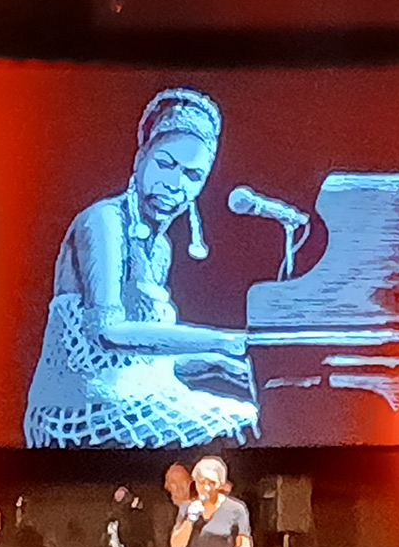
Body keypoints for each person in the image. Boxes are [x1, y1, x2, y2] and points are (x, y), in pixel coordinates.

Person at [25, 87, 258, 448]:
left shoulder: (161, 249)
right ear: (141, 157)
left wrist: (214, 362)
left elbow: (142, 363)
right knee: (237, 425)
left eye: (193, 175)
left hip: (126, 401)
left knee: (248, 416)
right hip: (76, 411)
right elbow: (109, 334)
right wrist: (223, 341)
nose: (175, 185)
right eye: (166, 164)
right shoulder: (103, 221)